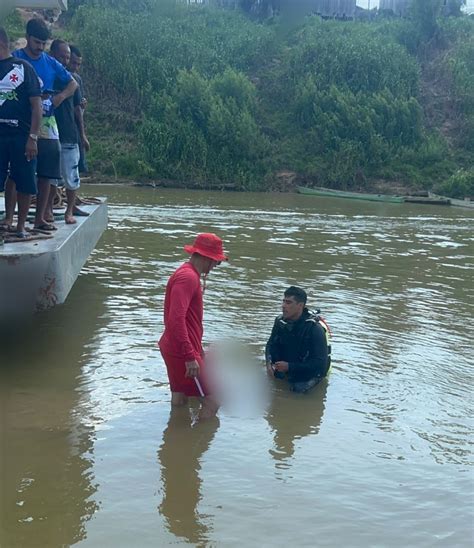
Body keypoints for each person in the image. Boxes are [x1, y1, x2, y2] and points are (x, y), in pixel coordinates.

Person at [12, 18, 78, 231]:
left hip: (47, 119)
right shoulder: (16, 59)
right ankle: (9, 218)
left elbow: (73, 83)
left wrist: (59, 98)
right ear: (28, 38)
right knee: (17, 169)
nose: (40, 47)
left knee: (48, 170)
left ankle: (40, 217)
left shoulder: (50, 63)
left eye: (43, 43)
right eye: (37, 42)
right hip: (21, 119)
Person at [158, 233, 228, 419]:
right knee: (212, 403)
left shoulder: (187, 273)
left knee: (180, 398)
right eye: (216, 262)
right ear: (206, 257)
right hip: (181, 351)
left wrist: (198, 350)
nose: (215, 266)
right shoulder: (188, 277)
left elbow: (186, 320)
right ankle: (195, 445)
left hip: (174, 346)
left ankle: (176, 440)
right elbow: (176, 319)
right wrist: (190, 355)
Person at [0, 26, 42, 238]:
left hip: (21, 135)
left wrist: (33, 138)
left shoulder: (23, 68)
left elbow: (37, 106)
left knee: (24, 180)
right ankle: (5, 219)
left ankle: (21, 226)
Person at [50, 39, 89, 224]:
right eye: (63, 57)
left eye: (68, 57)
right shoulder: (46, 75)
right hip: (48, 133)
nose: (65, 61)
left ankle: (69, 211)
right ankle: (47, 211)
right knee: (49, 176)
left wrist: (82, 135)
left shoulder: (74, 80)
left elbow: (77, 110)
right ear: (52, 55)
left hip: (68, 133)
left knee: (72, 176)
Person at [265, 286, 331, 393]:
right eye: (283, 302)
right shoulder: (280, 322)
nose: (283, 306)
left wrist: (289, 367)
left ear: (300, 305)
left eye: (288, 303)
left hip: (309, 373)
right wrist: (268, 363)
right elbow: (270, 344)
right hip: (286, 367)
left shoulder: (314, 329)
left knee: (297, 391)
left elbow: (320, 365)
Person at [68, 45, 89, 177]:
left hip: (73, 129)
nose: (75, 67)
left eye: (78, 64)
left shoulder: (77, 79)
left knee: (73, 170)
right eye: (73, 62)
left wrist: (82, 108)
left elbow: (78, 109)